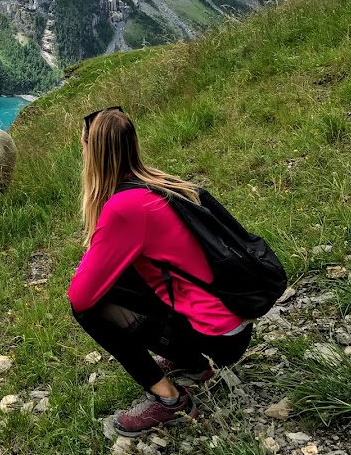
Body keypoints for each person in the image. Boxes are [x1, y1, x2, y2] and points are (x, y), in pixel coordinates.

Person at [68, 107, 253, 436]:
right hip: (231, 321)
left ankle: (170, 400)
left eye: (82, 144)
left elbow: (81, 295)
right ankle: (193, 364)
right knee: (119, 282)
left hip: (216, 333)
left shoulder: (124, 209)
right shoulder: (154, 182)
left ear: (91, 150)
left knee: (88, 308)